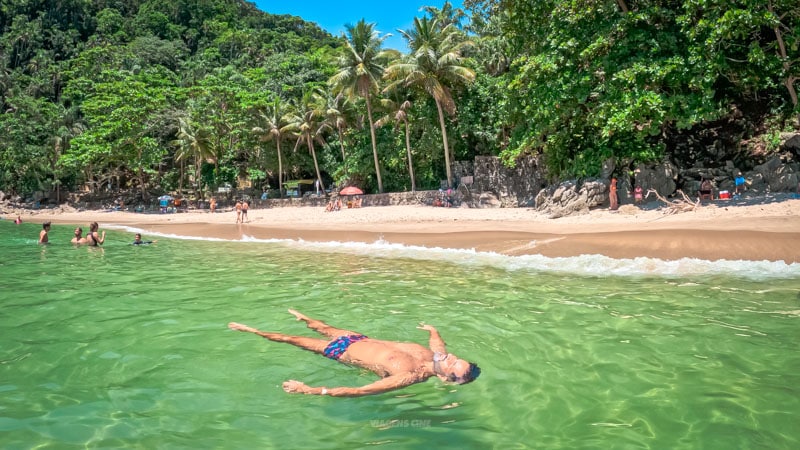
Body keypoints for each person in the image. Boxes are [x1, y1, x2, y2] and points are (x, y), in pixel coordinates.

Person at [228, 310, 480, 397]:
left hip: (339, 351)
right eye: (456, 357)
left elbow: (361, 391)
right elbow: (438, 344)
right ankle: (304, 317)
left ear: (446, 378)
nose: (451, 358)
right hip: (356, 336)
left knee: (290, 339)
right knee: (320, 325)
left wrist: (311, 390)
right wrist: (432, 329)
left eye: (454, 364)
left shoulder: (409, 376)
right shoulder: (436, 357)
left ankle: (251, 331)